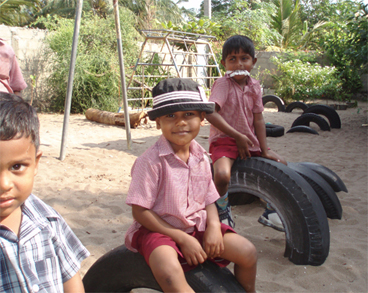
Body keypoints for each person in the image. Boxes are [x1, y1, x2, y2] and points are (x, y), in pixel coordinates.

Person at [124, 78, 257, 293]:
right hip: (159, 230)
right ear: (158, 122)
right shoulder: (149, 162)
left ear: (202, 118)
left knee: (248, 252)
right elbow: (140, 211)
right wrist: (180, 238)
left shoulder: (202, 158)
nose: (180, 122)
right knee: (168, 271)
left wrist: (213, 226)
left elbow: (209, 199)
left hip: (197, 226)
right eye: (170, 116)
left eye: (188, 114)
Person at [0, 92, 89, 292]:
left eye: (16, 167)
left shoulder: (48, 221)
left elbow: (71, 282)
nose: (4, 184)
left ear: (35, 163)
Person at [206, 35, 287, 231]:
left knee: (281, 166)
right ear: (224, 63)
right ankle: (223, 210)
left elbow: (258, 118)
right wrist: (237, 136)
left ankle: (272, 210)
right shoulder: (223, 84)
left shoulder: (255, 86)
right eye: (232, 59)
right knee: (223, 175)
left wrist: (264, 148)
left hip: (249, 141)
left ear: (253, 62)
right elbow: (210, 113)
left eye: (244, 58)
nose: (238, 64)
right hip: (225, 140)